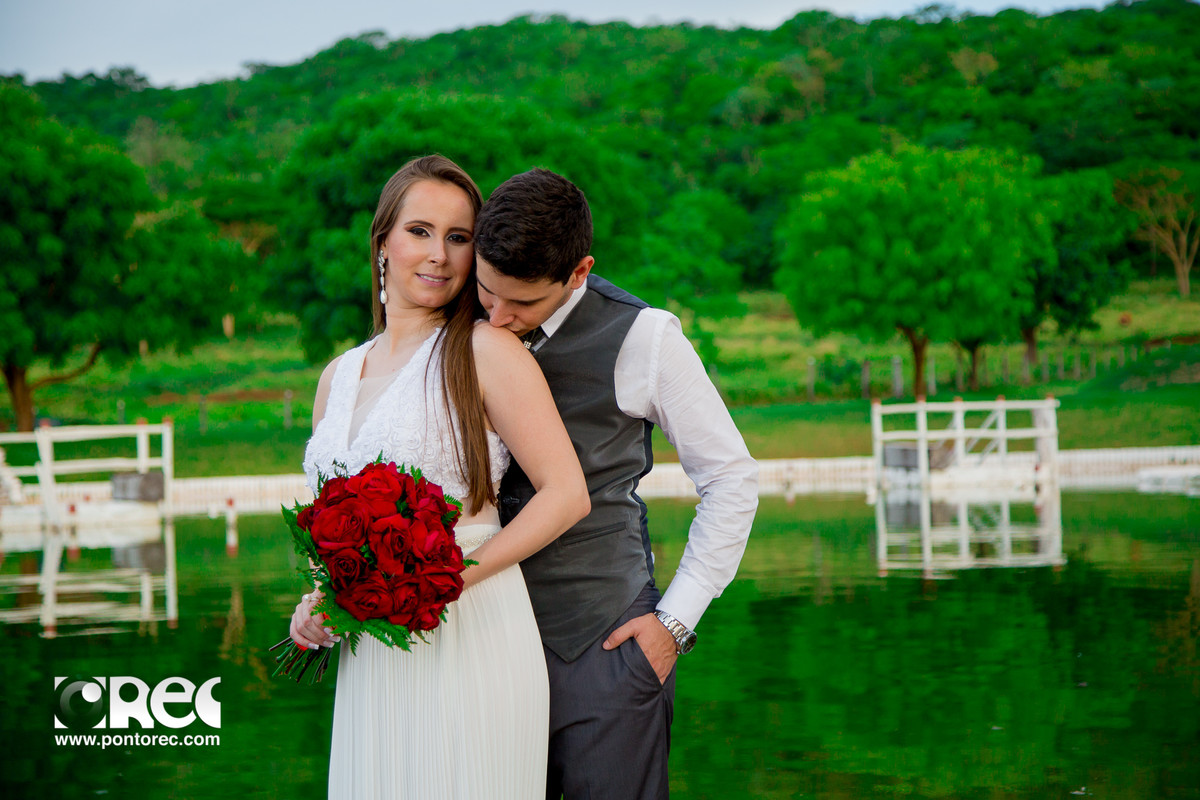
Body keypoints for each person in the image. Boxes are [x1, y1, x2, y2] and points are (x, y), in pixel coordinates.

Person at [289, 155, 590, 800]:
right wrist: (319, 601)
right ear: (382, 243)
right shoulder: (335, 378)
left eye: (459, 238)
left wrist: (451, 579)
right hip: (372, 649)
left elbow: (566, 495)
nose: (440, 255)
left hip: (471, 628)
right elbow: (330, 526)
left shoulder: (484, 351)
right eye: (420, 231)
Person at [473, 168, 759, 799]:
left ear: (578, 272)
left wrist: (674, 624)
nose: (496, 317)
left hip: (604, 644)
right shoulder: (459, 322)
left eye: (521, 304)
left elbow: (731, 480)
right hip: (479, 643)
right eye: (486, 291)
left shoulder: (645, 338)